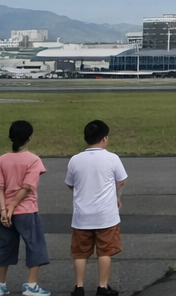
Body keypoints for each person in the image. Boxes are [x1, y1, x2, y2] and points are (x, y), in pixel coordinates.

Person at [64, 119, 128, 296]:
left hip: (82, 215)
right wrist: (114, 197)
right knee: (105, 251)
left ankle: (79, 287)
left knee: (80, 253)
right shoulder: (112, 158)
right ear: (105, 139)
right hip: (105, 215)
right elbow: (121, 180)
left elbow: (71, 184)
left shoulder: (75, 160)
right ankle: (102, 286)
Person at [0, 119, 51, 296]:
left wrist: (5, 209)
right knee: (35, 244)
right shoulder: (34, 160)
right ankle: (31, 285)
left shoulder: (2, 160)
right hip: (26, 211)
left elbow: (0, 187)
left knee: (5, 246)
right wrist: (12, 206)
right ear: (29, 137)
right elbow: (27, 187)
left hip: (4, 212)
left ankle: (1, 286)